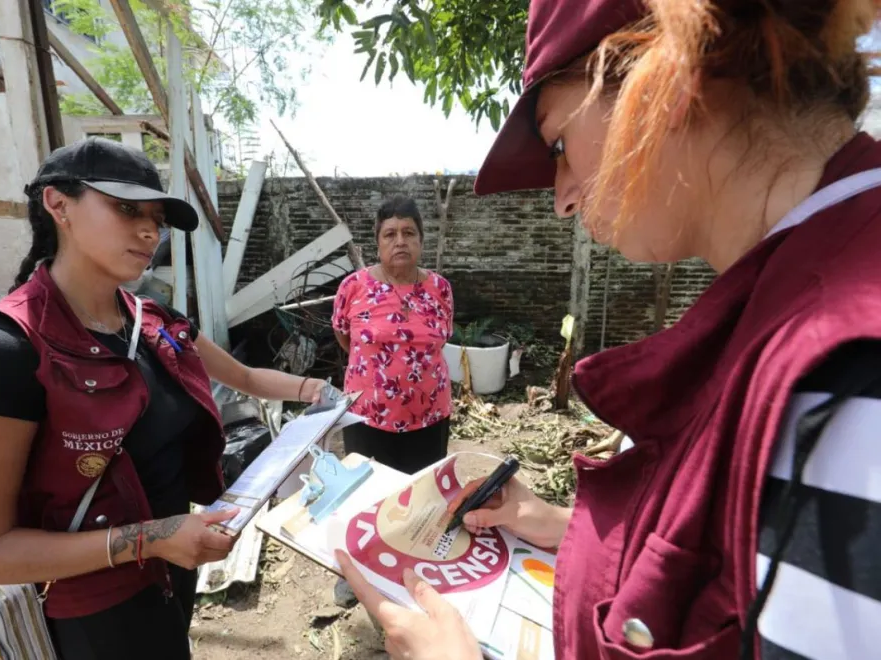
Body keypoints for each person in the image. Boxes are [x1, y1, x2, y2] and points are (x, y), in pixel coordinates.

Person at [337, 1, 881, 659]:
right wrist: (563, 526)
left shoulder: (845, 374)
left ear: (665, 80)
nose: (562, 195)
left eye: (560, 144)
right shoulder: (790, 300)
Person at [0, 137, 324, 660]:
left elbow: (244, 377)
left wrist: (317, 392)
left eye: (156, 217)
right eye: (126, 209)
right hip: (95, 610)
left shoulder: (152, 321)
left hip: (169, 573)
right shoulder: (5, 349)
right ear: (58, 204)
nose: (149, 231)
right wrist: (150, 539)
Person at [332, 196, 454, 475]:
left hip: (430, 418)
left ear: (421, 241)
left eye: (409, 233)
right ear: (378, 243)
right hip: (367, 418)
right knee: (369, 498)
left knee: (422, 498)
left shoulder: (440, 288)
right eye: (390, 234)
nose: (400, 241)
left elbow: (441, 337)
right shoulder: (353, 287)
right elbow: (344, 336)